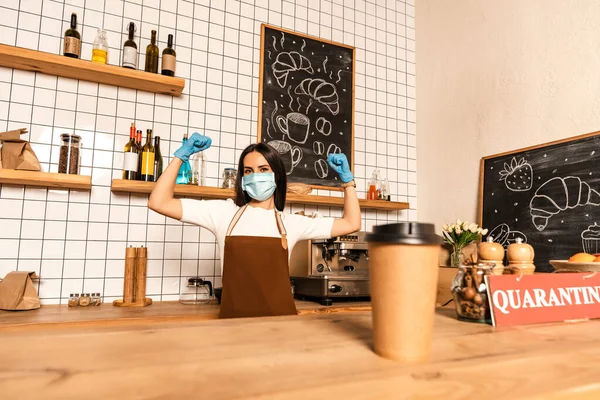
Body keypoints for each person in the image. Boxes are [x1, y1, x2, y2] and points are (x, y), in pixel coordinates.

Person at [148, 133, 361, 319]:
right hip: (234, 326)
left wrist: (347, 182)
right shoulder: (223, 214)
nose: (255, 176)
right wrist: (180, 157)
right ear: (242, 179)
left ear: (276, 176)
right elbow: (159, 202)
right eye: (248, 171)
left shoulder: (291, 223)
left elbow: (351, 223)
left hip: (282, 325)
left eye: (263, 169)